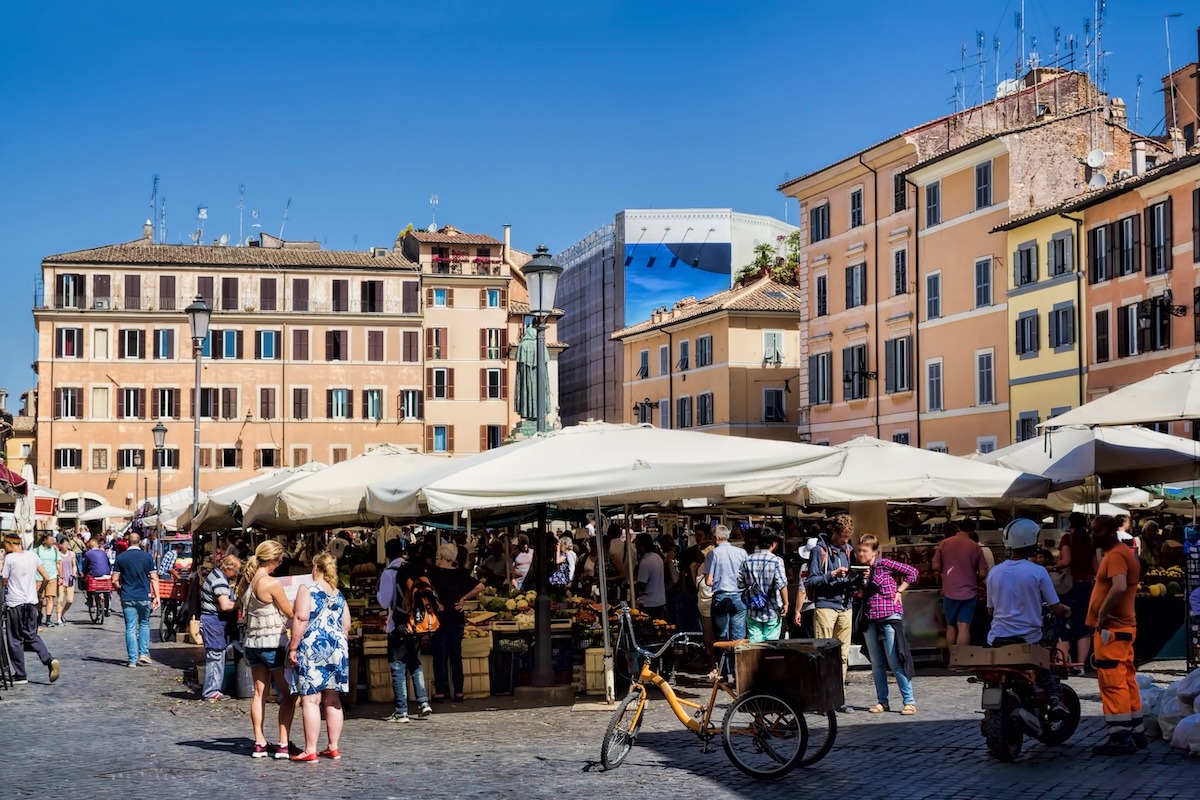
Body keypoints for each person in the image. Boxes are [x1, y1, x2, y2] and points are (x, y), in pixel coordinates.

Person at [985, 518, 1070, 720]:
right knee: (1044, 664)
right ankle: (1054, 700)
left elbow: (990, 610)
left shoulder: (994, 572)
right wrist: (1066, 610)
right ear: (1031, 541)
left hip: (996, 640)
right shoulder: (1038, 571)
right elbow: (1055, 607)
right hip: (1028, 639)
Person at [1087, 514, 1144, 756]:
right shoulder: (1121, 553)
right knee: (1126, 677)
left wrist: (1102, 614)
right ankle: (1136, 731)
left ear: (1110, 532)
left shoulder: (1117, 555)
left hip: (1112, 630)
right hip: (1122, 628)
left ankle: (1120, 736)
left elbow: (1119, 586)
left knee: (1113, 682)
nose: (1092, 535)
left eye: (1096, 531)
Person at [287, 552, 351, 762]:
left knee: (311, 698)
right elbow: (346, 625)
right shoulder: (338, 593)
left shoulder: (308, 589)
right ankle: (333, 747)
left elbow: (301, 617)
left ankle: (310, 749)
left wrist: (293, 647)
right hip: (337, 647)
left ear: (316, 568)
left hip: (314, 646)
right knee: (333, 698)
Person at [240, 539, 298, 758]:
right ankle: (283, 744)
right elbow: (290, 612)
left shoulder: (246, 582)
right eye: (279, 560)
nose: (280, 563)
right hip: (272, 643)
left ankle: (259, 742)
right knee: (289, 694)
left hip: (252, 643)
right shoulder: (272, 583)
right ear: (273, 560)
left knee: (259, 694)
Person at [857, 534, 919, 715]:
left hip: (889, 616)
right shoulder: (860, 570)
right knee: (877, 663)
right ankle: (882, 702)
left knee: (895, 661)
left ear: (874, 552)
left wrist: (900, 590)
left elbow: (912, 572)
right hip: (870, 619)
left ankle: (909, 702)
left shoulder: (884, 564)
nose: (860, 554)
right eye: (859, 550)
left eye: (864, 551)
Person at [377, 538, 433, 723]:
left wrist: (378, 592)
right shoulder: (412, 569)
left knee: (398, 665)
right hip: (416, 623)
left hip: (398, 624)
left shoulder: (388, 573)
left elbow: (384, 602)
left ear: (386, 553)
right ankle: (423, 702)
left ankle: (401, 711)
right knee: (414, 663)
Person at [806, 514, 856, 708]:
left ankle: (838, 696)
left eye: (848, 536)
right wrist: (832, 574)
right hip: (826, 606)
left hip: (846, 606)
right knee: (823, 653)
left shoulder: (849, 550)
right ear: (833, 532)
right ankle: (822, 695)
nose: (846, 540)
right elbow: (811, 580)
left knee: (842, 655)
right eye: (843, 536)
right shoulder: (820, 551)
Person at [428, 543, 485, 703]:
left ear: (440, 557)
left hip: (439, 620)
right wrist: (464, 598)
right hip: (457, 619)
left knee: (439, 656)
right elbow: (480, 586)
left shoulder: (433, 573)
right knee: (455, 655)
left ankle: (440, 690)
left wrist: (433, 601)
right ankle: (458, 690)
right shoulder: (461, 574)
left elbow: (423, 589)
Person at [2, 532, 61, 684]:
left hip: (15, 603)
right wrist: (39, 592)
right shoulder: (32, 556)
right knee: (31, 635)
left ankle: (21, 674)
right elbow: (47, 577)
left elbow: (4, 581)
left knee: (14, 640)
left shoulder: (10, 558)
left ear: (9, 544)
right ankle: (49, 660)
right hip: (31, 603)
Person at [1052, 512, 1096, 672]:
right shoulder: (1089, 540)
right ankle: (1080, 665)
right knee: (1083, 625)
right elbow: (1095, 567)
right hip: (1087, 587)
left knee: (1062, 623)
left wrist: (1052, 567)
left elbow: (1066, 561)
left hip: (1070, 587)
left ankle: (1062, 663)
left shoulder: (1067, 539)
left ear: (1070, 523)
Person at [932, 519, 987, 647]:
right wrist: (975, 579)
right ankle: (961, 662)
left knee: (951, 627)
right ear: (972, 531)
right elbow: (983, 573)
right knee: (964, 627)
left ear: (958, 528)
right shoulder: (975, 546)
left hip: (949, 590)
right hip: (969, 592)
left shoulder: (944, 543)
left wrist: (945, 573)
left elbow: (935, 566)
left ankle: (952, 660)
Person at [703, 525, 748, 672]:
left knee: (722, 636)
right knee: (738, 636)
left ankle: (723, 671)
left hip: (721, 596)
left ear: (716, 538)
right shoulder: (742, 553)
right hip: (739, 596)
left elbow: (708, 581)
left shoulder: (712, 554)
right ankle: (738, 673)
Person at [112, 532, 160, 668]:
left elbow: (114, 580)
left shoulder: (121, 558)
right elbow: (154, 578)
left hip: (127, 596)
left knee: (130, 628)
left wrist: (120, 590)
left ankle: (132, 660)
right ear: (140, 542)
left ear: (128, 542)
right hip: (143, 596)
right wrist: (157, 596)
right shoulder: (147, 557)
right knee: (144, 624)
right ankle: (143, 653)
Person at [199, 554, 242, 700]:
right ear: (228, 569)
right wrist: (239, 603)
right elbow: (225, 605)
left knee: (217, 656)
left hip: (214, 621)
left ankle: (214, 689)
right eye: (236, 572)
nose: (236, 575)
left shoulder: (217, 575)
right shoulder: (219, 580)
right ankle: (211, 692)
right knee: (215, 656)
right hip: (213, 621)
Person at [741, 530, 788, 642]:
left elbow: (740, 583)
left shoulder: (747, 559)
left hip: (752, 608)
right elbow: (781, 584)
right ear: (773, 544)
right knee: (770, 644)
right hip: (772, 609)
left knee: (754, 643)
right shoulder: (776, 560)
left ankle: (756, 659)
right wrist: (786, 603)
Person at [634, 533, 667, 618]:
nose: (636, 548)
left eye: (637, 545)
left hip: (648, 603)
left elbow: (641, 584)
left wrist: (633, 586)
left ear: (642, 546)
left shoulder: (645, 562)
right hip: (660, 600)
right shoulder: (657, 557)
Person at [32, 532, 61, 627]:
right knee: (39, 599)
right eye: (51, 540)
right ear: (45, 540)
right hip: (39, 578)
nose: (53, 542)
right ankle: (39, 614)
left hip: (52, 577)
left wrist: (60, 577)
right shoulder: (36, 551)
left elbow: (59, 563)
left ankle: (48, 619)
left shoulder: (55, 550)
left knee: (50, 598)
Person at [81, 537, 112, 616]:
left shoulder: (88, 553)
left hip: (95, 574)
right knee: (106, 591)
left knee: (87, 583)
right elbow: (108, 564)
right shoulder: (103, 553)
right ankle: (107, 607)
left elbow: (85, 566)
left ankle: (90, 600)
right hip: (106, 573)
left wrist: (83, 574)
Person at [55, 538, 76, 625]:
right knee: (60, 599)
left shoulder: (72, 554)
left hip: (70, 578)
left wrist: (74, 573)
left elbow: (74, 565)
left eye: (68, 544)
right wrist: (59, 576)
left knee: (70, 600)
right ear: (61, 545)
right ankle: (59, 618)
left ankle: (62, 613)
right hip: (61, 578)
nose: (66, 546)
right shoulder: (58, 554)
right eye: (65, 544)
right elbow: (57, 566)